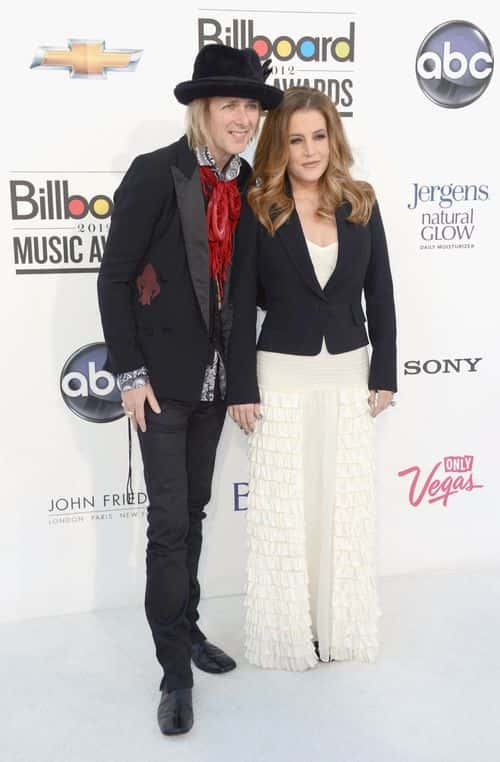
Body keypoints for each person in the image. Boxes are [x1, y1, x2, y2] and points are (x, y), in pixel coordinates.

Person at [97, 44, 283, 734]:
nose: (243, 119)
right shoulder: (156, 173)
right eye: (230, 105)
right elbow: (114, 278)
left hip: (212, 387)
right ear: (201, 109)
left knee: (195, 516)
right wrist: (130, 373)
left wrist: (241, 381)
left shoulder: (247, 183)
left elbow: (240, 292)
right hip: (160, 386)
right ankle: (174, 672)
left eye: (251, 107)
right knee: (169, 527)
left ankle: (189, 626)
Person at [226, 87, 397, 671]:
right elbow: (238, 303)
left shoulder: (361, 202)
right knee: (288, 508)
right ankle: (288, 632)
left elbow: (382, 295)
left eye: (318, 136)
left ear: (334, 140)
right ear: (281, 145)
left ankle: (335, 627)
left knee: (339, 504)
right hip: (281, 374)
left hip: (348, 372)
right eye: (296, 139)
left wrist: (386, 372)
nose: (309, 150)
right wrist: (241, 387)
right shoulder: (261, 208)